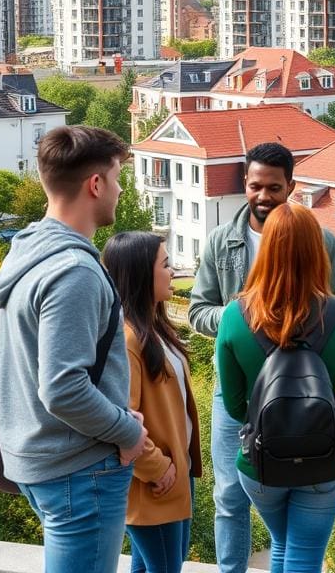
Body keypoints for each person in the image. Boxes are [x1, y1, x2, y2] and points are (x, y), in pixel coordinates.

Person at [189, 141, 335, 573]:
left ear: (291, 187)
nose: (263, 197)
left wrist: (280, 325)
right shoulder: (220, 241)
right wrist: (244, 319)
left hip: (307, 393)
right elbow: (197, 310)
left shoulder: (318, 238)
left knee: (286, 532)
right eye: (255, 186)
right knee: (230, 496)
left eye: (273, 188)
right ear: (244, 184)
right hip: (241, 388)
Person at [0, 125, 148, 573]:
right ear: (95, 184)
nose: (118, 190)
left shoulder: (29, 251)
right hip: (79, 467)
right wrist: (128, 431)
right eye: (116, 178)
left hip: (40, 455)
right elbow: (62, 389)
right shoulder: (73, 271)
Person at [215, 203, 335, 572]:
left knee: (283, 544)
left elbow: (236, 407)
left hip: (261, 463)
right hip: (323, 460)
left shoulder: (235, 317)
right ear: (317, 252)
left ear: (265, 251)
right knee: (303, 552)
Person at [103, 232, 203, 573]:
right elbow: (119, 420)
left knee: (147, 568)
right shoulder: (128, 338)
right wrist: (158, 468)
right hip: (155, 480)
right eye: (165, 264)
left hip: (174, 473)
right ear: (142, 274)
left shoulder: (155, 329)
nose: (173, 271)